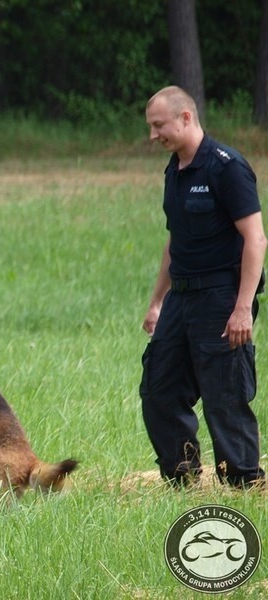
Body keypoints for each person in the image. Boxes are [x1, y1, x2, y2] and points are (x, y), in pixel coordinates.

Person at [140, 85, 267, 488]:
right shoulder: (174, 170)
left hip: (220, 296)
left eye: (158, 125)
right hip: (181, 296)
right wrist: (158, 300)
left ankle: (244, 482)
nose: (152, 135)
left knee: (224, 395)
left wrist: (243, 306)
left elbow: (255, 239)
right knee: (158, 388)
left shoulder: (226, 167)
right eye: (150, 127)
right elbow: (174, 239)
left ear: (185, 118)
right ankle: (182, 478)